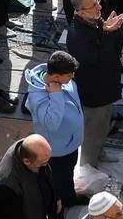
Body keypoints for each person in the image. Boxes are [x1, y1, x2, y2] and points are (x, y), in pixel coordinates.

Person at [65, 0, 123, 169]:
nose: (99, 7)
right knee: (92, 132)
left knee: (103, 125)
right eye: (94, 5)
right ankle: (88, 166)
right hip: (94, 92)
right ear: (80, 11)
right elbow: (98, 60)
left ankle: (98, 152)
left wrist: (107, 28)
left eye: (97, 1)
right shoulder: (77, 36)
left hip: (105, 86)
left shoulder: (91, 19)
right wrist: (108, 33)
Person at [26, 51, 84, 209]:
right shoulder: (38, 96)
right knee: (57, 181)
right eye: (69, 75)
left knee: (68, 175)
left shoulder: (62, 81)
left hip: (70, 144)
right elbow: (51, 124)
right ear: (57, 77)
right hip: (58, 151)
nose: (72, 78)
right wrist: (56, 96)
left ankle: (70, 198)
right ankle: (57, 210)